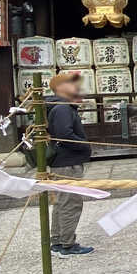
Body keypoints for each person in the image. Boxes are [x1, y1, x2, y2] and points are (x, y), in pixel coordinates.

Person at [47, 72, 95, 255]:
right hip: (68, 162)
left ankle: (58, 240)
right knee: (70, 203)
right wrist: (85, 146)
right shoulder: (62, 109)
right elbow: (64, 135)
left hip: (63, 161)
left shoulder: (62, 107)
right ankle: (67, 244)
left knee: (62, 202)